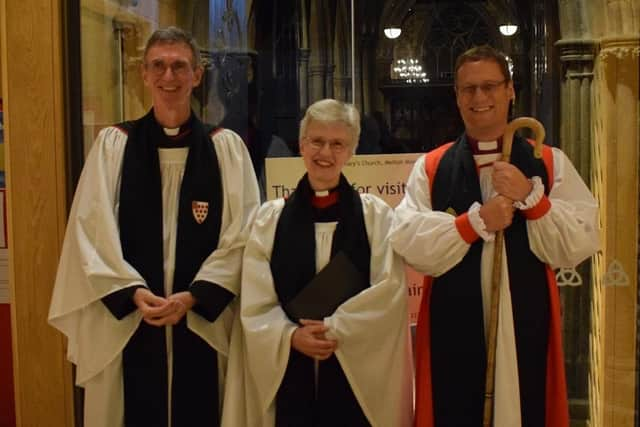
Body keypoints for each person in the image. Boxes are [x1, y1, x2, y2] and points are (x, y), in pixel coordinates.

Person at [48, 27, 260, 427]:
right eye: (158, 66)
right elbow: (90, 231)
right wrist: (133, 292)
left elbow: (246, 234)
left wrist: (195, 296)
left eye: (180, 66)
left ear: (197, 75)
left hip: (201, 322)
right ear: (143, 75)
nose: (169, 77)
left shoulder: (225, 149)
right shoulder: (114, 147)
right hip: (130, 321)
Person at [390, 45, 599, 427]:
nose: (479, 98)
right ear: (456, 96)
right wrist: (475, 223)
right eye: (468, 89)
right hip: (454, 327)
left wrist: (531, 199)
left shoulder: (548, 162)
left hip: (525, 320)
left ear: (510, 91)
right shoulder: (432, 167)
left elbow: (581, 240)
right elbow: (408, 240)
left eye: (489, 86)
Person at [227, 99, 413, 426]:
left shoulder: (375, 218)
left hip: (350, 368)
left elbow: (390, 292)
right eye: (317, 141)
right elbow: (255, 300)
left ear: (352, 151)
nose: (325, 153)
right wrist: (288, 336)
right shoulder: (270, 220)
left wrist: (337, 328)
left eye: (337, 143)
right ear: (301, 145)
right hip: (290, 364)